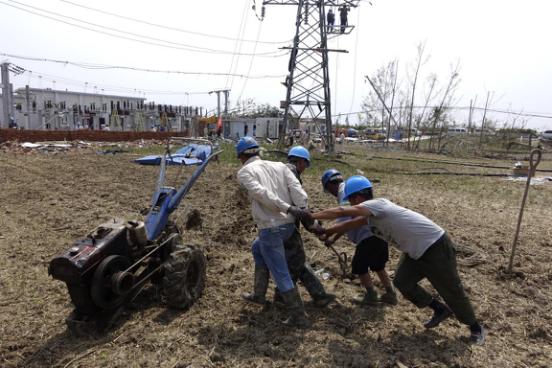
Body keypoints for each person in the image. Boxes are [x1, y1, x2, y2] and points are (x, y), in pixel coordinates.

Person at [311, 175, 486, 344]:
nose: (349, 203)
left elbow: (341, 211)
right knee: (402, 282)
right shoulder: (370, 217)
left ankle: (475, 327)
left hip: (435, 246)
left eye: (351, 199)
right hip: (414, 251)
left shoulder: (378, 205)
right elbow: (347, 224)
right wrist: (327, 232)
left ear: (359, 197)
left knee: (451, 288)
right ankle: (439, 309)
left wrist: (310, 216)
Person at [236, 137, 312, 327]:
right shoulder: (280, 166)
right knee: (257, 248)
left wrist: (287, 208)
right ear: (258, 152)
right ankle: (258, 294)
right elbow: (298, 190)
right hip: (289, 225)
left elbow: (262, 194)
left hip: (271, 228)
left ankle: (298, 316)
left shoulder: (245, 172)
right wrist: (300, 209)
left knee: (280, 272)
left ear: (240, 157)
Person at [320, 170, 397, 306]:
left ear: (330, 185)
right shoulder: (351, 188)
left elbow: (345, 223)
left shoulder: (345, 194)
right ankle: (391, 293)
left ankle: (371, 295)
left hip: (367, 236)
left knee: (359, 266)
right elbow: (348, 222)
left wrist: (329, 234)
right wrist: (333, 238)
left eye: (328, 189)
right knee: (378, 265)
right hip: (379, 233)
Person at [273, 147, 335, 308]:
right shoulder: (292, 174)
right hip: (286, 226)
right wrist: (315, 226)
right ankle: (282, 298)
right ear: (300, 162)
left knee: (296, 260)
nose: (304, 169)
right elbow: (300, 208)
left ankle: (319, 295)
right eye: (305, 165)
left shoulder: (277, 171)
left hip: (272, 223)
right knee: (295, 261)